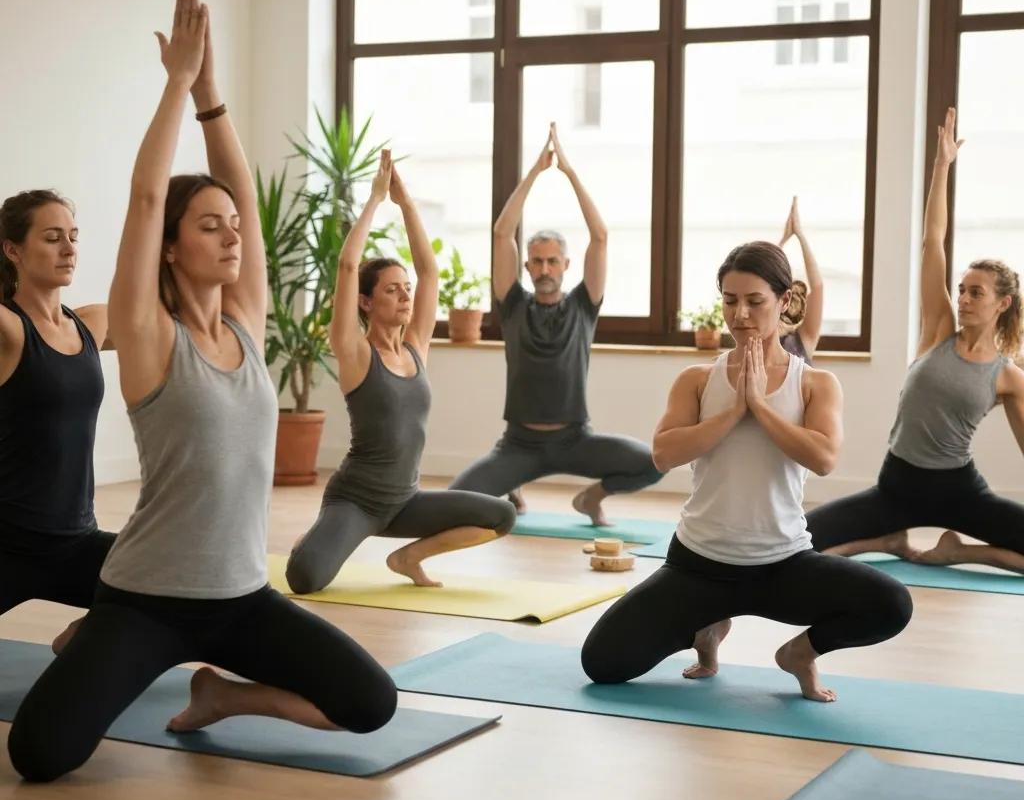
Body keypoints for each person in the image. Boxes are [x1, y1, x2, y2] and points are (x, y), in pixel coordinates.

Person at [8, 0, 396, 783]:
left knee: (371, 703)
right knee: (40, 754)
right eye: (208, 226)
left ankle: (222, 696)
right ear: (173, 249)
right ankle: (108, 652)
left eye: (232, 226)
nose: (230, 235)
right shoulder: (149, 336)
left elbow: (247, 198)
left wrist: (213, 98)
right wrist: (176, 85)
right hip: (144, 596)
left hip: (241, 598)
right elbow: (148, 198)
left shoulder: (246, 325)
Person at [581, 241, 912, 702]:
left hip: (782, 564)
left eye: (755, 301)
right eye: (730, 300)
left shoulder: (815, 383)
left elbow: (823, 458)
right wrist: (733, 410)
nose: (741, 314)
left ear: (785, 301)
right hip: (699, 565)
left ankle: (800, 653)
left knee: (892, 604)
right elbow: (663, 453)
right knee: (602, 663)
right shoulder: (697, 379)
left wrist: (760, 405)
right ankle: (708, 627)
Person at [806, 108, 1024, 573]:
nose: (963, 298)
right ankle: (884, 539)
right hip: (897, 487)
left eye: (976, 293)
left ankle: (960, 552)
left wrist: (967, 551)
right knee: (798, 540)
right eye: (962, 290)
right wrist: (942, 166)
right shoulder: (939, 329)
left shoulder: (1008, 376)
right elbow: (934, 241)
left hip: (961, 493)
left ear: (1002, 303)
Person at [285, 151, 514, 593]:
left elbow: (430, 272)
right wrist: (373, 200)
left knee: (501, 515)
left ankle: (408, 557)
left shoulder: (417, 346)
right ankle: (319, 537)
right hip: (357, 499)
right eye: (392, 290)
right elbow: (348, 267)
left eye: (406, 289)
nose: (406, 296)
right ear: (367, 303)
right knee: (304, 578)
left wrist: (406, 202)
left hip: (407, 500)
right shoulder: (354, 352)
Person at [450, 123, 663, 527]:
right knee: (456, 500)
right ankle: (512, 485)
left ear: (566, 265)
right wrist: (534, 171)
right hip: (519, 444)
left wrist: (568, 172)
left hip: (573, 441)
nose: (544, 268)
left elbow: (600, 236)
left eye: (552, 261)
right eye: (537, 261)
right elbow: (501, 233)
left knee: (654, 462)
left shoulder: (584, 305)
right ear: (527, 266)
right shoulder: (513, 306)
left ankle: (591, 499)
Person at [0, 189, 114, 648]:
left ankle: (80, 639)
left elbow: (171, 321)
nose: (68, 248)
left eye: (73, 236)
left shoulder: (91, 323)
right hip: (7, 544)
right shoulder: (8, 329)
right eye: (51, 238)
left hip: (76, 544)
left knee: (182, 580)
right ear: (13, 250)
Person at [778, 195, 824, 364]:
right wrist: (782, 240)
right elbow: (761, 280)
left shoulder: (801, 341)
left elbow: (817, 287)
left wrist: (800, 236)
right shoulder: (755, 343)